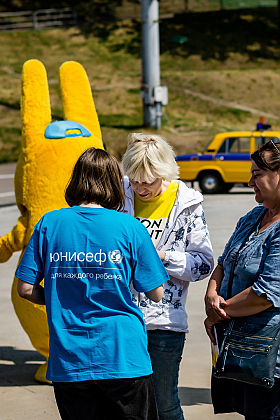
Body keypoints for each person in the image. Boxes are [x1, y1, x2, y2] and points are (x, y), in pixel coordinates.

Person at [16, 147, 168, 420]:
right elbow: (156, 292)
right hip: (123, 356)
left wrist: (56, 294)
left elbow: (25, 288)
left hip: (70, 359)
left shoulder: (49, 223)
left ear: (76, 180)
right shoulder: (130, 227)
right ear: (114, 182)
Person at [122, 133, 214, 420]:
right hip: (121, 318)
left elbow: (203, 264)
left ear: (164, 173)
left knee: (165, 404)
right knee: (128, 406)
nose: (139, 188)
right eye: (134, 180)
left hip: (165, 324)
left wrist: (160, 257)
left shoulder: (187, 204)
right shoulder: (120, 194)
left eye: (147, 181)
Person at [204, 140, 280, 420]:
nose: (250, 182)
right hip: (242, 351)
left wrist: (216, 313)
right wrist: (211, 292)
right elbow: (224, 263)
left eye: (257, 174)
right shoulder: (253, 216)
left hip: (270, 360)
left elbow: (265, 293)